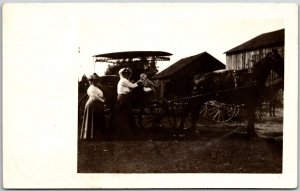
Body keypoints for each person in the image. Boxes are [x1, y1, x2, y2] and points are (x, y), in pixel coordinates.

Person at [109, 68, 140, 140]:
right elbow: (133, 86)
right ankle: (125, 133)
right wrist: (138, 82)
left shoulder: (123, 80)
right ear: (122, 74)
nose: (126, 75)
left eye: (127, 74)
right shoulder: (124, 80)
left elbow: (130, 87)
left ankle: (122, 132)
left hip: (123, 98)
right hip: (123, 98)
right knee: (124, 114)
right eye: (125, 74)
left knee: (123, 114)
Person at [80, 73, 106, 141]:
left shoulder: (97, 87)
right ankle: (91, 136)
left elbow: (100, 95)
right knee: (92, 119)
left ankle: (97, 136)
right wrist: (103, 101)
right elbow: (95, 96)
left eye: (97, 80)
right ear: (91, 81)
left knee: (97, 119)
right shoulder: (91, 88)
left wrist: (102, 99)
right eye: (94, 80)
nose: (96, 82)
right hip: (93, 104)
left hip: (97, 104)